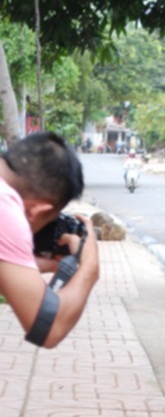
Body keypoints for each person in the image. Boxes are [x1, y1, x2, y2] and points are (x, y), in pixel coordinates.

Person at [0, 131, 99, 349]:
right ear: (38, 211)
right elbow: (49, 328)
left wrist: (48, 265)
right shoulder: (5, 207)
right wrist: (89, 268)